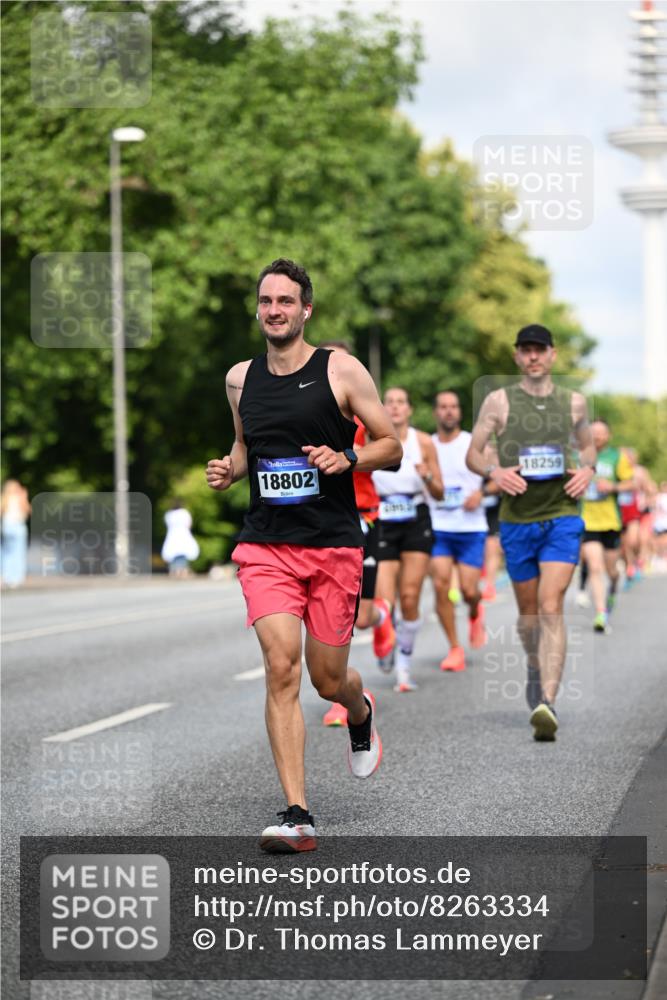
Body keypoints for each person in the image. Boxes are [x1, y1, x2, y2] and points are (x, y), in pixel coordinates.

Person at [206, 259, 401, 852]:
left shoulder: (340, 370)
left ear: (305, 309)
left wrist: (350, 458)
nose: (274, 310)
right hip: (266, 544)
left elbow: (389, 445)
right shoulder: (240, 379)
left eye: (285, 301)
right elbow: (247, 449)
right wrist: (228, 468)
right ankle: (297, 814)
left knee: (326, 678)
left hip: (334, 544)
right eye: (265, 301)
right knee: (281, 666)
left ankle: (359, 712)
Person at [466, 324, 596, 742]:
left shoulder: (574, 402)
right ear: (517, 356)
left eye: (540, 349)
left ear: (552, 355)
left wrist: (588, 470)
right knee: (527, 620)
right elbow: (473, 452)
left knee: (549, 604)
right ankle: (536, 666)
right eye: (526, 350)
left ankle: (548, 703)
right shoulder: (498, 401)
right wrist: (494, 471)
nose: (533, 356)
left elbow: (589, 445)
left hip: (561, 516)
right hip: (517, 521)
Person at [316, 341, 395, 728]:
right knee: (333, 619)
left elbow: (392, 454)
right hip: (318, 524)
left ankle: (383, 619)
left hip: (363, 516)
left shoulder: (362, 414)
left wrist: (350, 453)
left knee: (361, 618)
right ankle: (337, 697)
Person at [372, 387, 443, 692]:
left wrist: (427, 476)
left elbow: (440, 491)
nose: (396, 407)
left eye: (401, 402)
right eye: (390, 402)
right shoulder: (370, 440)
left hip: (416, 517)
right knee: (385, 601)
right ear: (382, 408)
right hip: (383, 518)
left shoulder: (423, 441)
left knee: (411, 597)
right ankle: (386, 638)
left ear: (410, 409)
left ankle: (404, 666)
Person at [428, 390, 488, 672]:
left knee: (468, 590)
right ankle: (454, 647)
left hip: (471, 528)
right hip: (438, 526)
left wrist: (483, 492)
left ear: (459, 412)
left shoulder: (472, 444)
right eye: (443, 407)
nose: (448, 411)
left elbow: (502, 476)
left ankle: (475, 611)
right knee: (440, 587)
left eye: (453, 406)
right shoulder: (426, 444)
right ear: (435, 412)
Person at [580, 420, 634, 633]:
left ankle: (613, 588)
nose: (598, 437)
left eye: (602, 433)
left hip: (611, 521)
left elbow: (631, 483)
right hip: (587, 521)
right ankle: (601, 613)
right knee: (594, 566)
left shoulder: (616, 457)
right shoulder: (580, 457)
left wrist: (612, 486)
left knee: (612, 570)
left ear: (608, 436)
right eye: (594, 433)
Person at [1, 480, 31, 588]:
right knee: (18, 553)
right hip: (18, 527)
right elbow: (27, 510)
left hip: (7, 527)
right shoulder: (20, 497)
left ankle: (7, 577)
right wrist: (24, 497)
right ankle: (17, 578)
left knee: (7, 553)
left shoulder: (4, 498)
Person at [161, 500, 200, 578]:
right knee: (183, 555)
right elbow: (189, 524)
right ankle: (183, 572)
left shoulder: (169, 514)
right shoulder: (184, 513)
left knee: (173, 555)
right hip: (183, 535)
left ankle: (174, 572)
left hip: (172, 535)